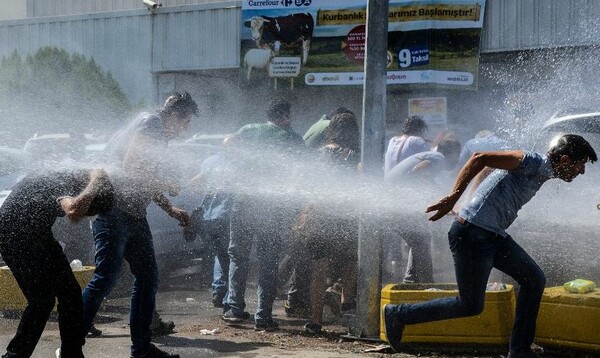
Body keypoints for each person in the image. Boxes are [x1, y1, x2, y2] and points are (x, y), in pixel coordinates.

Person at [383, 134, 597, 358]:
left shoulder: (543, 171)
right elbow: (480, 158)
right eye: (580, 164)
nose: (581, 171)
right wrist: (453, 198)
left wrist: (470, 199)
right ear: (564, 160)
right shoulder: (531, 160)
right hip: (472, 235)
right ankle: (398, 314)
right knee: (470, 305)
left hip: (492, 236)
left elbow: (488, 168)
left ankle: (520, 351)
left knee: (534, 279)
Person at [81, 92, 199, 358]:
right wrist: (165, 184)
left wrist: (170, 207)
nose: (187, 127)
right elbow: (132, 167)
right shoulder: (152, 124)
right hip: (115, 212)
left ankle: (142, 349)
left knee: (147, 278)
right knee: (105, 278)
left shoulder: (158, 133)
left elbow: (143, 177)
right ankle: (70, 343)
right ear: (176, 115)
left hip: (134, 214)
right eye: (187, 120)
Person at [0, 168, 114, 358]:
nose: (87, 216)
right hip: (15, 237)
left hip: (36, 234)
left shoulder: (67, 175)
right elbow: (73, 210)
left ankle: (72, 353)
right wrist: (95, 183)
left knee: (70, 294)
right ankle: (15, 355)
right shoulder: (64, 184)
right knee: (42, 301)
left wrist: (97, 178)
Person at [222, 98, 305, 331]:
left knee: (238, 256)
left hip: (242, 203)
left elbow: (227, 142)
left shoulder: (249, 130)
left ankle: (235, 310)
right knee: (268, 261)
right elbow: (304, 172)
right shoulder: (291, 138)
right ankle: (263, 317)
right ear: (285, 116)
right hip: (272, 208)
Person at [292, 112, 361, 334]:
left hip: (319, 217)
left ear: (331, 130)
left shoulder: (317, 155)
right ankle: (346, 308)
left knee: (318, 270)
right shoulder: (356, 156)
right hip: (346, 217)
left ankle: (315, 322)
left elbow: (303, 184)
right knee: (351, 262)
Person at [384, 138, 462, 283]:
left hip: (392, 200)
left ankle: (412, 279)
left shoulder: (433, 157)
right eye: (457, 156)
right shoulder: (439, 159)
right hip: (395, 201)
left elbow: (426, 182)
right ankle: (425, 282)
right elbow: (417, 171)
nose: (457, 161)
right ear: (450, 154)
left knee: (420, 237)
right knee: (420, 239)